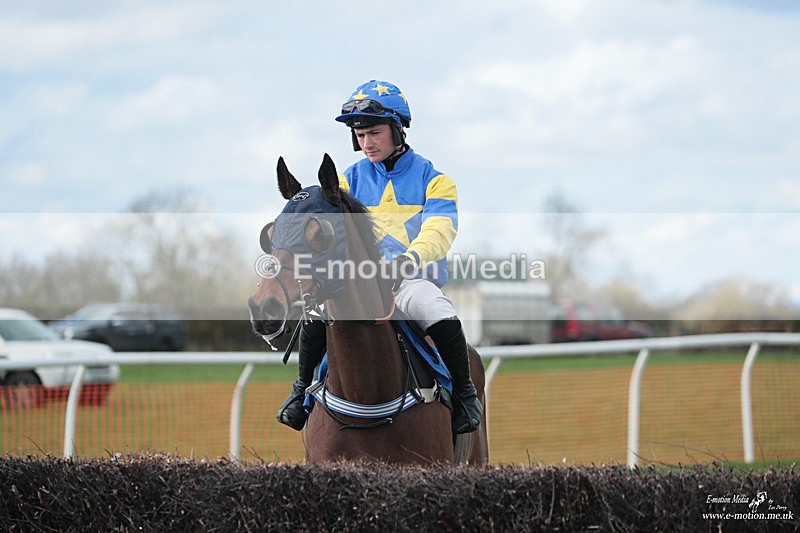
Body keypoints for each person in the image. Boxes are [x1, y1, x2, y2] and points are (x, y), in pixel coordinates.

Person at [276, 80, 483, 434]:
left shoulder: (436, 181)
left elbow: (439, 231)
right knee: (317, 311)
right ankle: (301, 391)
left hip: (411, 281)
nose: (367, 143)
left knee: (436, 308)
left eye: (374, 133)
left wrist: (407, 261)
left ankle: (465, 395)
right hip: (359, 286)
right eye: (360, 135)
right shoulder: (345, 182)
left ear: (398, 130)